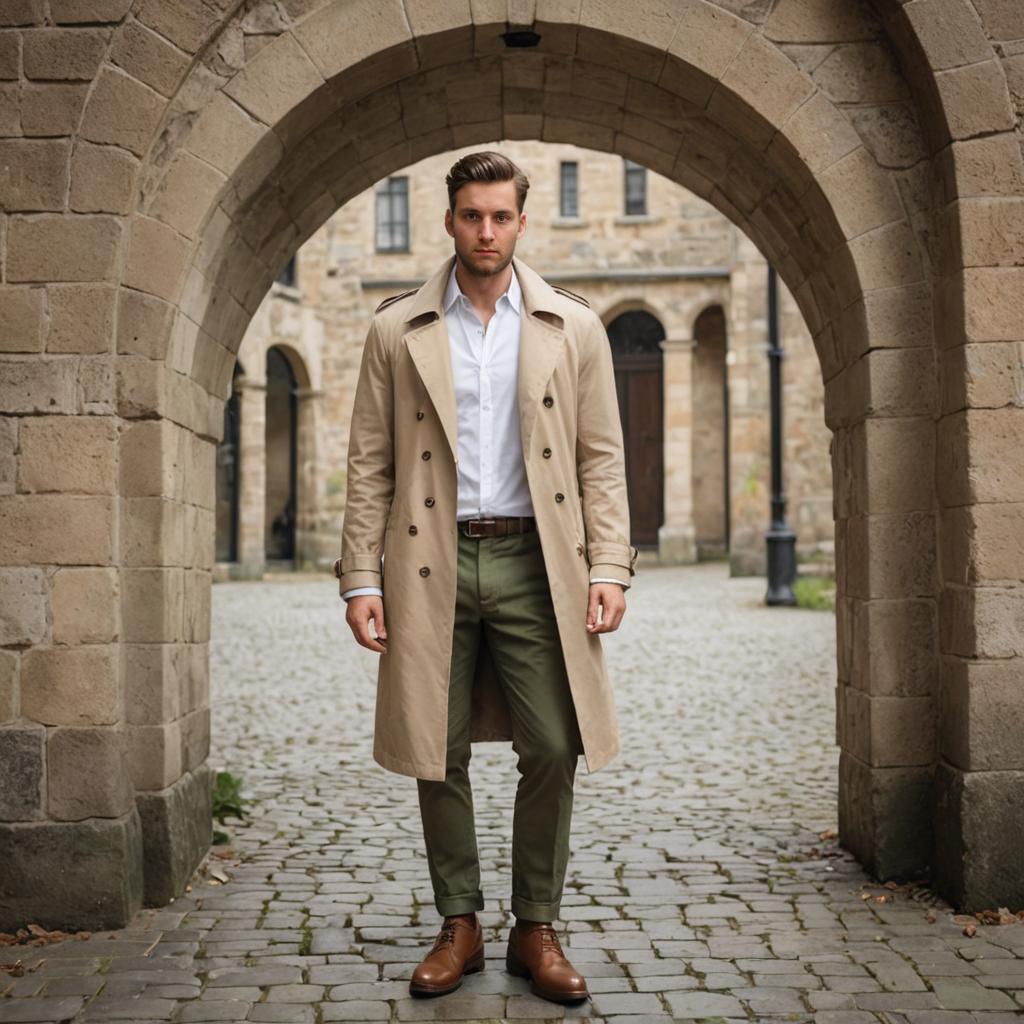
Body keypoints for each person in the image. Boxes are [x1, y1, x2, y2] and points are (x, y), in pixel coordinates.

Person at [335, 150, 636, 1004]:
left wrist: (609, 564)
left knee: (553, 742)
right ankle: (459, 923)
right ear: (449, 220)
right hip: (429, 560)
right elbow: (369, 465)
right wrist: (362, 578)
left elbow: (601, 461)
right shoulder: (398, 328)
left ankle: (534, 925)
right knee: (439, 747)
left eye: (501, 216)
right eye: (473, 215)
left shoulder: (572, 327)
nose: (487, 231)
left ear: (522, 221)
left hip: (538, 562)